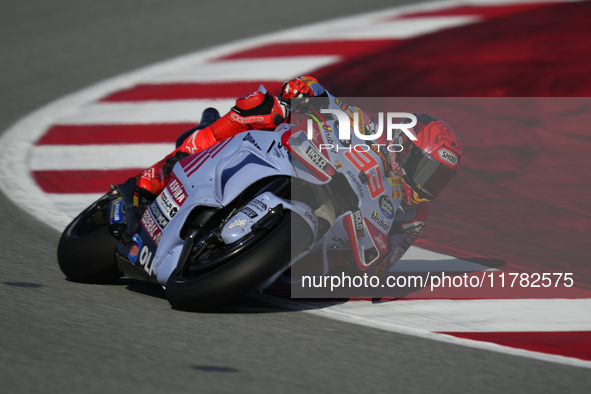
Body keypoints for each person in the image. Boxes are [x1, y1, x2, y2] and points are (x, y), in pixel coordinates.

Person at [135, 76, 462, 275]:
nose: (424, 186)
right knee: (264, 107)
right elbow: (334, 105)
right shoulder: (372, 131)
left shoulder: (414, 214)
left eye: (437, 180)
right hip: (305, 164)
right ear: (404, 147)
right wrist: (311, 91)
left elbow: (382, 267)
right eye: (426, 171)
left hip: (325, 246)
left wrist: (368, 262)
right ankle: (169, 166)